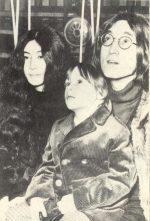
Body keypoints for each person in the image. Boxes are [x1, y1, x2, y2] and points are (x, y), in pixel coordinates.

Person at [5, 62, 137, 221]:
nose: (70, 87)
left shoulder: (115, 131)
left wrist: (79, 200)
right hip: (56, 202)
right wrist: (37, 196)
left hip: (97, 209)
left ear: (100, 92)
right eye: (67, 83)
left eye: (79, 82)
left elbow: (122, 179)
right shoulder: (59, 127)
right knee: (12, 215)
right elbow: (47, 167)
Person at [0, 25, 72, 199]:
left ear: (55, 59)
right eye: (26, 58)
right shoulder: (10, 101)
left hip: (51, 197)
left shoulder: (69, 106)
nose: (31, 66)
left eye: (40, 57)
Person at [91, 12, 149, 220]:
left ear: (143, 51)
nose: (112, 49)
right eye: (107, 39)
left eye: (125, 41)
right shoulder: (85, 103)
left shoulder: (146, 112)